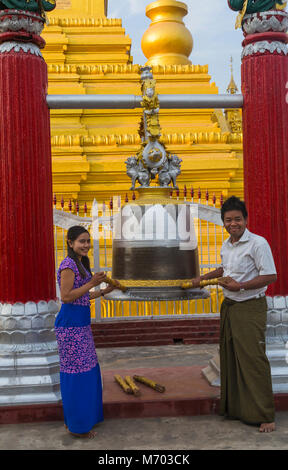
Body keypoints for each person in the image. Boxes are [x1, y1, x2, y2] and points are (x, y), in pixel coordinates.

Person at [191, 196, 277, 433]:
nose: (233, 224)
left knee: (253, 359)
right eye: (228, 220)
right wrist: (202, 279)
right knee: (231, 358)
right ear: (224, 222)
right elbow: (224, 269)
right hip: (230, 306)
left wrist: (240, 286)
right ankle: (237, 408)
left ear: (246, 220)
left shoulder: (258, 244)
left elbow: (270, 275)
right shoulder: (227, 244)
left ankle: (264, 415)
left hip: (250, 307)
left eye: (237, 219)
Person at [55, 225, 118, 438]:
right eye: (81, 241)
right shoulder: (68, 265)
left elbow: (81, 296)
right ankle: (77, 426)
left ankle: (84, 418)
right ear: (70, 243)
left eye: (87, 241)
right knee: (77, 375)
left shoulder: (81, 263)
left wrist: (102, 291)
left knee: (88, 370)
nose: (86, 245)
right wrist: (92, 282)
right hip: (70, 328)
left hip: (81, 325)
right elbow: (66, 296)